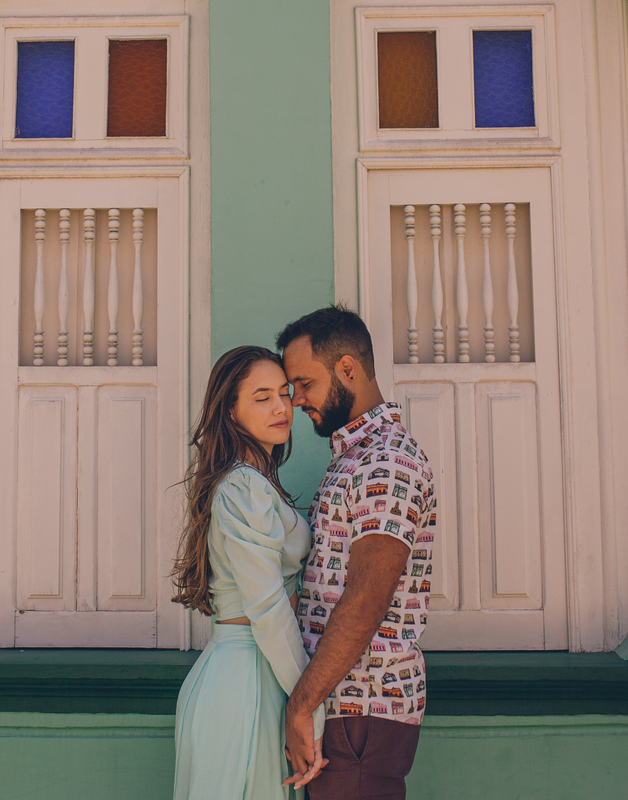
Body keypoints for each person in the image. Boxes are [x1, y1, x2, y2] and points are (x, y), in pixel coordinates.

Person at [276, 306, 436, 800]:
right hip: (346, 711)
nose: (296, 399)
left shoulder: (385, 462)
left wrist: (301, 705)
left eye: (304, 383)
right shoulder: (356, 458)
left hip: (361, 711)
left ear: (347, 369)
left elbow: (368, 596)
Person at [172, 345, 328, 800]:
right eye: (262, 397)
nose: (281, 406)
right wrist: (309, 708)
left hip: (253, 675)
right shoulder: (242, 486)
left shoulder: (254, 482)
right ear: (232, 411)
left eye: (284, 393)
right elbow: (267, 607)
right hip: (245, 684)